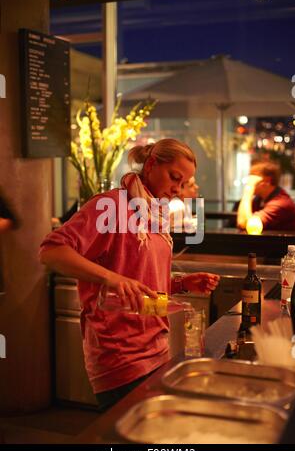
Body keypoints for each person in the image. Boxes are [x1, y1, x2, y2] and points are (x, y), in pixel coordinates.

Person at [39, 138, 219, 412]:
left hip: (157, 348)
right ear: (150, 165)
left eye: (184, 184)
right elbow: (51, 251)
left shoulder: (153, 216)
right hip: (120, 354)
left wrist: (181, 283)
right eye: (175, 178)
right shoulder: (110, 206)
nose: (178, 190)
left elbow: (139, 284)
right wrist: (112, 279)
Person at [237, 161, 295, 231]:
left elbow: (244, 223)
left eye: (253, 178)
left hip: (283, 242)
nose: (249, 181)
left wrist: (249, 188)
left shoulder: (281, 203)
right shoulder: (260, 199)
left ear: (267, 181)